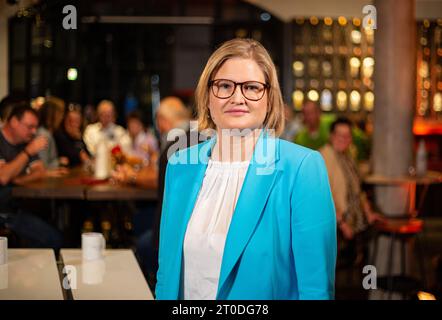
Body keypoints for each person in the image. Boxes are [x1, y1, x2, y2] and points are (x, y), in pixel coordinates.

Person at [155, 38, 336, 300]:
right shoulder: (180, 165)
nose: (237, 97)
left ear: (269, 99)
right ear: (207, 97)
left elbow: (315, 289)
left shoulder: (302, 169)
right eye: (225, 86)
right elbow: (167, 273)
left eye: (251, 87)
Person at [319, 118, 383, 263]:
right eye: (340, 135)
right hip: (336, 224)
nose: (344, 139)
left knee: (379, 226)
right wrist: (342, 224)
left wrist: (369, 213)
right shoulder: (323, 157)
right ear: (331, 136)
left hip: (354, 218)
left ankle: (365, 277)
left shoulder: (348, 156)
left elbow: (357, 190)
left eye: (347, 136)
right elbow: (323, 197)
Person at [0, 104, 63, 249]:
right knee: (52, 239)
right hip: (4, 212)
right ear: (14, 122)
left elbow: (39, 171)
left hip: (17, 207)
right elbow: (3, 177)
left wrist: (16, 179)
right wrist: (28, 152)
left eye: (35, 127)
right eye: (30, 126)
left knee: (54, 232)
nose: (34, 131)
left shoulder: (24, 141)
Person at [36, 98, 65, 168]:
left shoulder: (48, 133)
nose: (62, 117)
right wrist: (58, 161)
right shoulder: (43, 135)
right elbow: (43, 165)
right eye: (59, 113)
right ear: (50, 116)